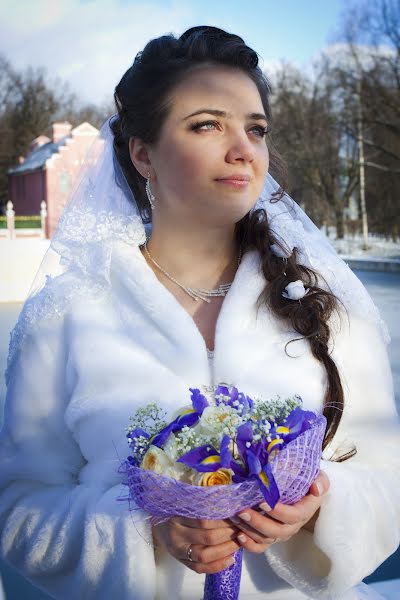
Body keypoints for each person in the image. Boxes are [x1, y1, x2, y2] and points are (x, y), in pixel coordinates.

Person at [0, 25, 399, 600]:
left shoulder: (324, 306)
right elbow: (20, 507)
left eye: (256, 128)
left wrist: (321, 510)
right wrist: (145, 531)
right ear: (143, 153)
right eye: (207, 124)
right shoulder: (67, 318)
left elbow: (389, 473)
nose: (243, 148)